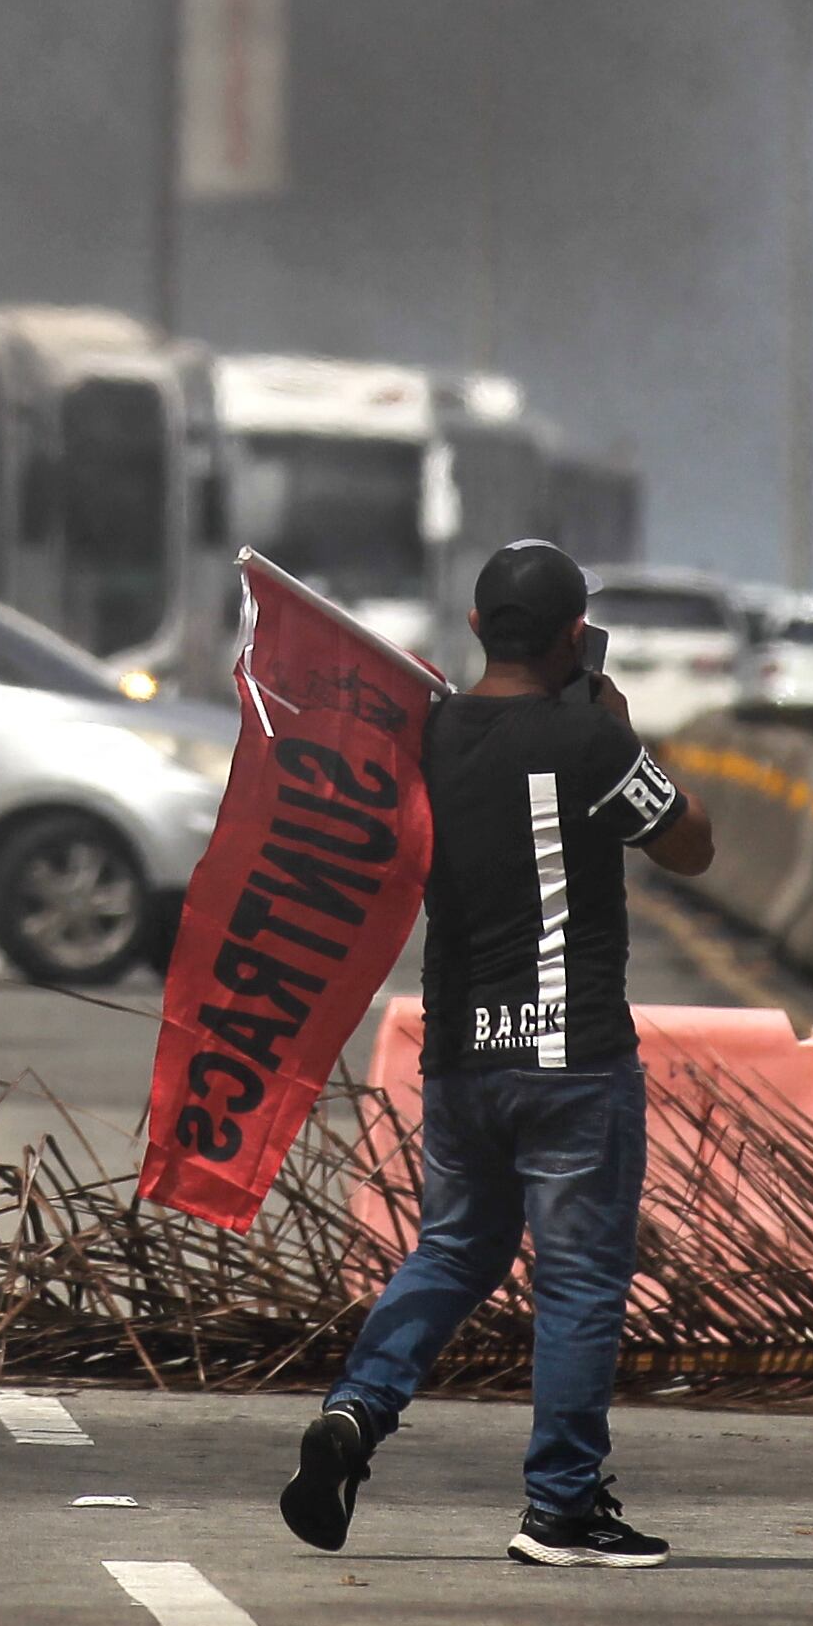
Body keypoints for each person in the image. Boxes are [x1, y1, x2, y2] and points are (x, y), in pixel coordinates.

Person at [279, 538, 713, 1570]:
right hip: (571, 1064)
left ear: (476, 628)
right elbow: (690, 844)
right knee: (576, 1283)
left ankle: (356, 1410)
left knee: (453, 1250)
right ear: (576, 638)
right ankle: (560, 1507)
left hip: (460, 1055)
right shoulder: (590, 741)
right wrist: (621, 730)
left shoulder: (425, 734)